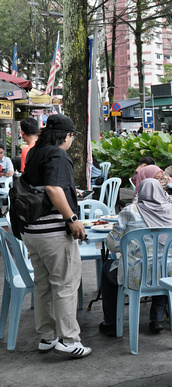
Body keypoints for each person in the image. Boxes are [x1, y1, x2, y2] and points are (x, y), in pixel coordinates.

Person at [21, 113, 91, 358]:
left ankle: (47, 337)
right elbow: (52, 188)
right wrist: (72, 218)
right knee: (65, 285)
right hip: (52, 232)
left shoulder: (34, 152)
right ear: (67, 135)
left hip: (32, 232)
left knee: (43, 285)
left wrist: (71, 194)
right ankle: (69, 340)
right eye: (72, 135)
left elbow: (42, 187)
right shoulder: (58, 154)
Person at [99, 178, 172, 335]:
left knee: (107, 266)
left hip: (136, 277)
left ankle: (110, 323)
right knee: (164, 265)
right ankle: (156, 319)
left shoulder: (130, 212)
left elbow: (112, 244)